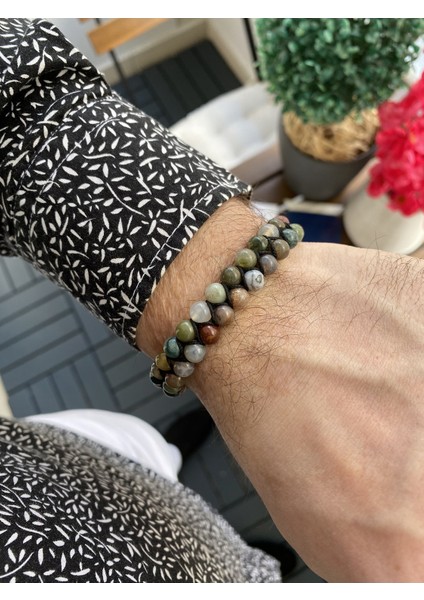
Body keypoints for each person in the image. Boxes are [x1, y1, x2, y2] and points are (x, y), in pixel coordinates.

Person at [1, 18, 424, 583]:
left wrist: (246, 289)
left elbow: (24, 116)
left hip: (73, 466)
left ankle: (193, 491)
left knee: (156, 471)